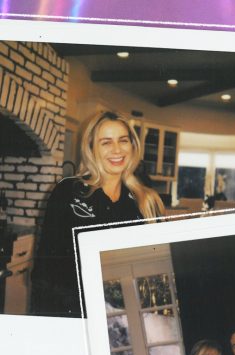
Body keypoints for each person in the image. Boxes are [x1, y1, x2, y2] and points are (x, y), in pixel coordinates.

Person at [30, 110, 165, 317]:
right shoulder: (68, 191)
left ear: (133, 145)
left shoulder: (147, 201)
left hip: (125, 316)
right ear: (91, 148)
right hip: (74, 313)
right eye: (106, 142)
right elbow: (45, 270)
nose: (117, 149)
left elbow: (156, 270)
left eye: (123, 140)